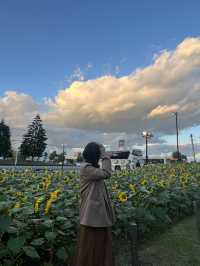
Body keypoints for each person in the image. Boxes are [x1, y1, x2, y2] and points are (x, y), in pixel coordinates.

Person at [72, 142, 116, 266]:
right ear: (95, 155)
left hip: (97, 215)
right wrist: (105, 155)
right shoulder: (86, 168)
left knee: (98, 246)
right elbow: (107, 173)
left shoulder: (92, 169)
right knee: (92, 247)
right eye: (98, 154)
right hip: (92, 217)